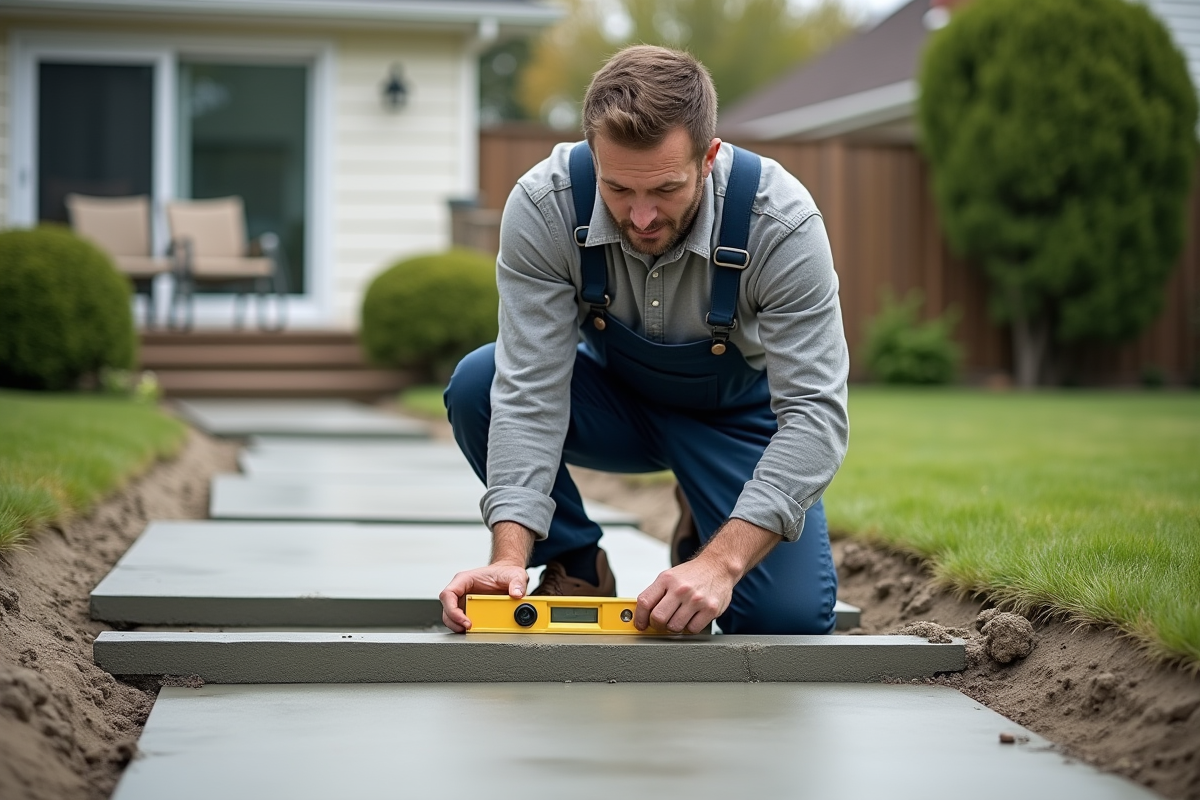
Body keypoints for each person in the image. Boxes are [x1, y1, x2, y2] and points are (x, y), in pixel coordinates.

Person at [439, 44, 848, 636]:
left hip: (737, 427)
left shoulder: (781, 225)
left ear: (708, 158)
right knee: (480, 382)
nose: (641, 217)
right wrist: (509, 559)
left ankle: (704, 518)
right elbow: (529, 392)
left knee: (782, 621)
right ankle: (577, 560)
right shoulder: (545, 205)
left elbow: (816, 416)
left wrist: (718, 563)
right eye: (619, 190)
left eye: (665, 189)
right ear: (592, 154)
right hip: (616, 405)